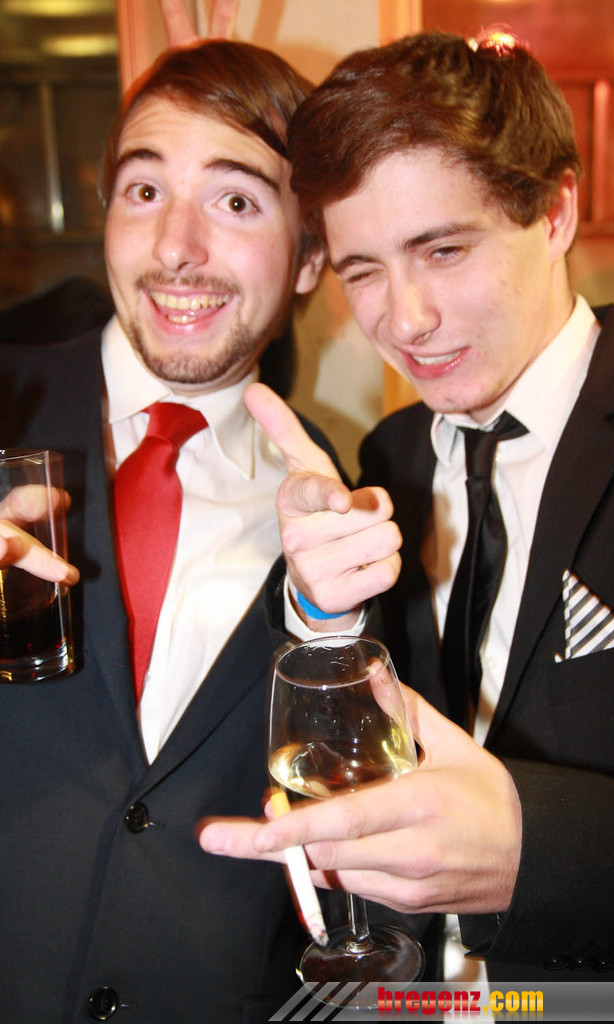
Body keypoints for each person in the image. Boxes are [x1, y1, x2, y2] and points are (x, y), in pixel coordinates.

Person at [199, 31, 614, 985]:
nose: (404, 319)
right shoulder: (391, 458)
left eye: (444, 250)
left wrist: (533, 851)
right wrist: (319, 611)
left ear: (554, 212)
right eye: (363, 271)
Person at [0, 37, 328, 1024]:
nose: (176, 246)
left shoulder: (342, 506)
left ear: (312, 254)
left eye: (235, 201)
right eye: (145, 191)